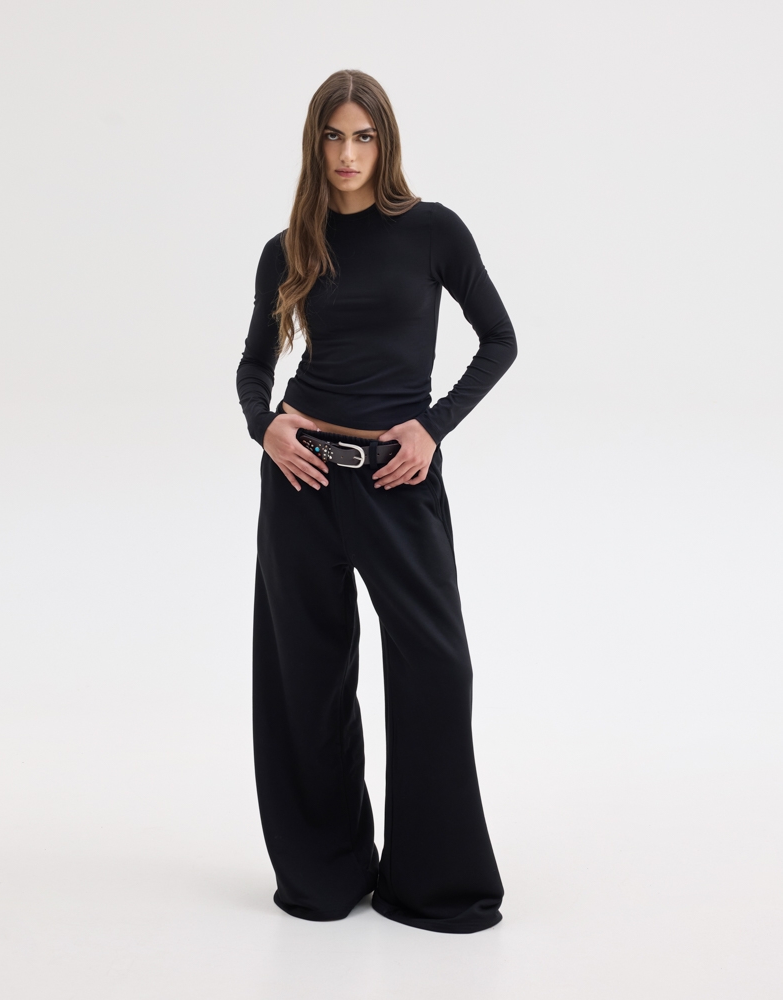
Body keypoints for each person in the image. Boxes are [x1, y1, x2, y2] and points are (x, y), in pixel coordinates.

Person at [235, 69, 518, 934]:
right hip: (302, 479)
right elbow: (254, 365)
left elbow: (499, 340)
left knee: (437, 669)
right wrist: (265, 427)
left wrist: (432, 427)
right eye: (334, 136)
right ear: (315, 144)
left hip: (397, 481)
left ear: (384, 142)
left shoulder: (433, 231)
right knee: (306, 678)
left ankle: (433, 885)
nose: (348, 153)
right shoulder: (290, 246)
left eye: (363, 136)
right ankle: (323, 875)